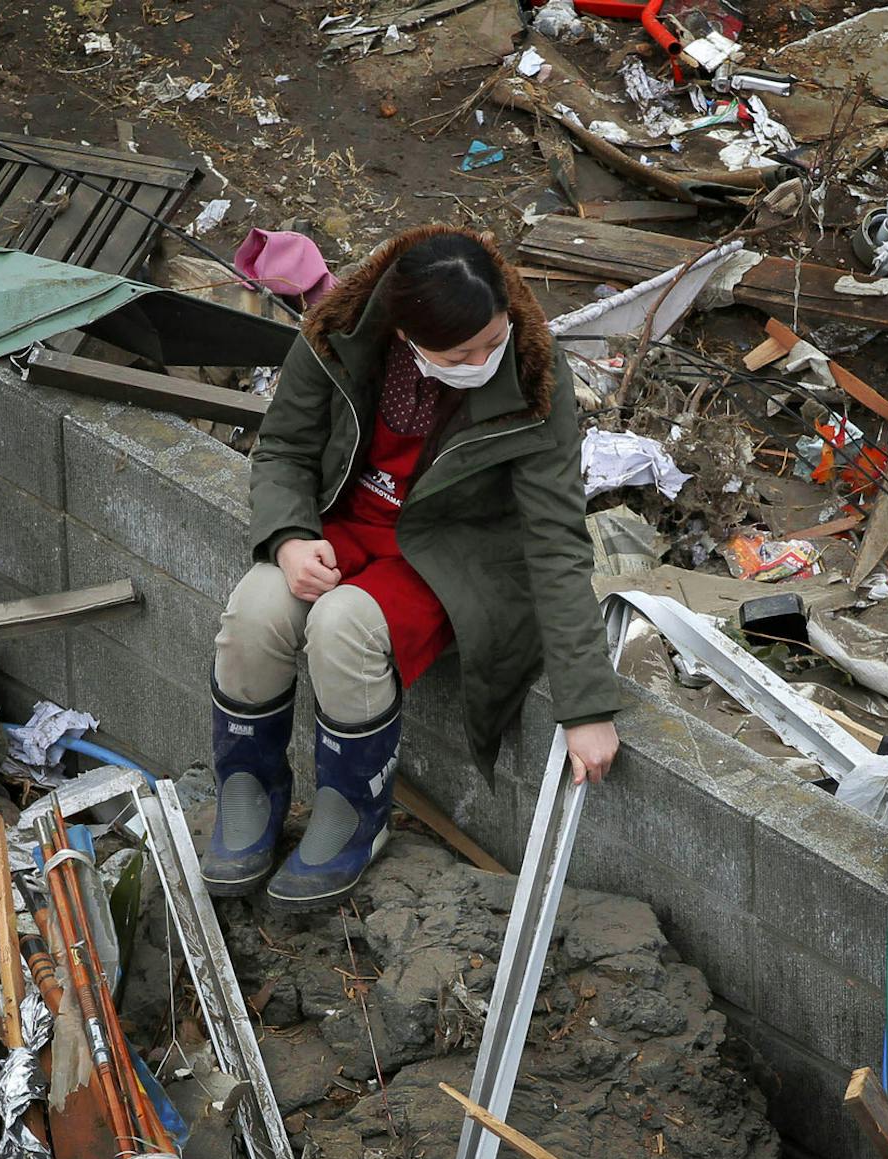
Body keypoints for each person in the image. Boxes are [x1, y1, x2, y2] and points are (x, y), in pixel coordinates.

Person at [203, 225, 622, 911]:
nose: (487, 358)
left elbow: (555, 537)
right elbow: (282, 449)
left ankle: (352, 818)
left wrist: (587, 706)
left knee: (344, 627)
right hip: (349, 523)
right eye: (464, 352)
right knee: (255, 609)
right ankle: (248, 791)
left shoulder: (537, 375)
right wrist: (287, 538)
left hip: (452, 552)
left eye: (494, 338)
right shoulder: (336, 334)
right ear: (404, 336)